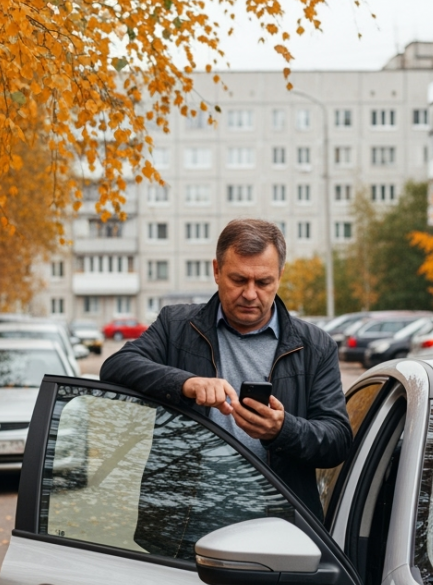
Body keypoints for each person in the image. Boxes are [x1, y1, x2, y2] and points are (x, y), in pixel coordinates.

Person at [101, 218, 351, 518]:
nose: (249, 293)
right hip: (179, 526)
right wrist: (187, 383)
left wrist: (282, 429)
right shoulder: (175, 325)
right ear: (216, 271)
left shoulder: (316, 346)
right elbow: (116, 366)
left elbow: (337, 440)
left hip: (279, 529)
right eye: (238, 279)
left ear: (280, 276)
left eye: (263, 282)